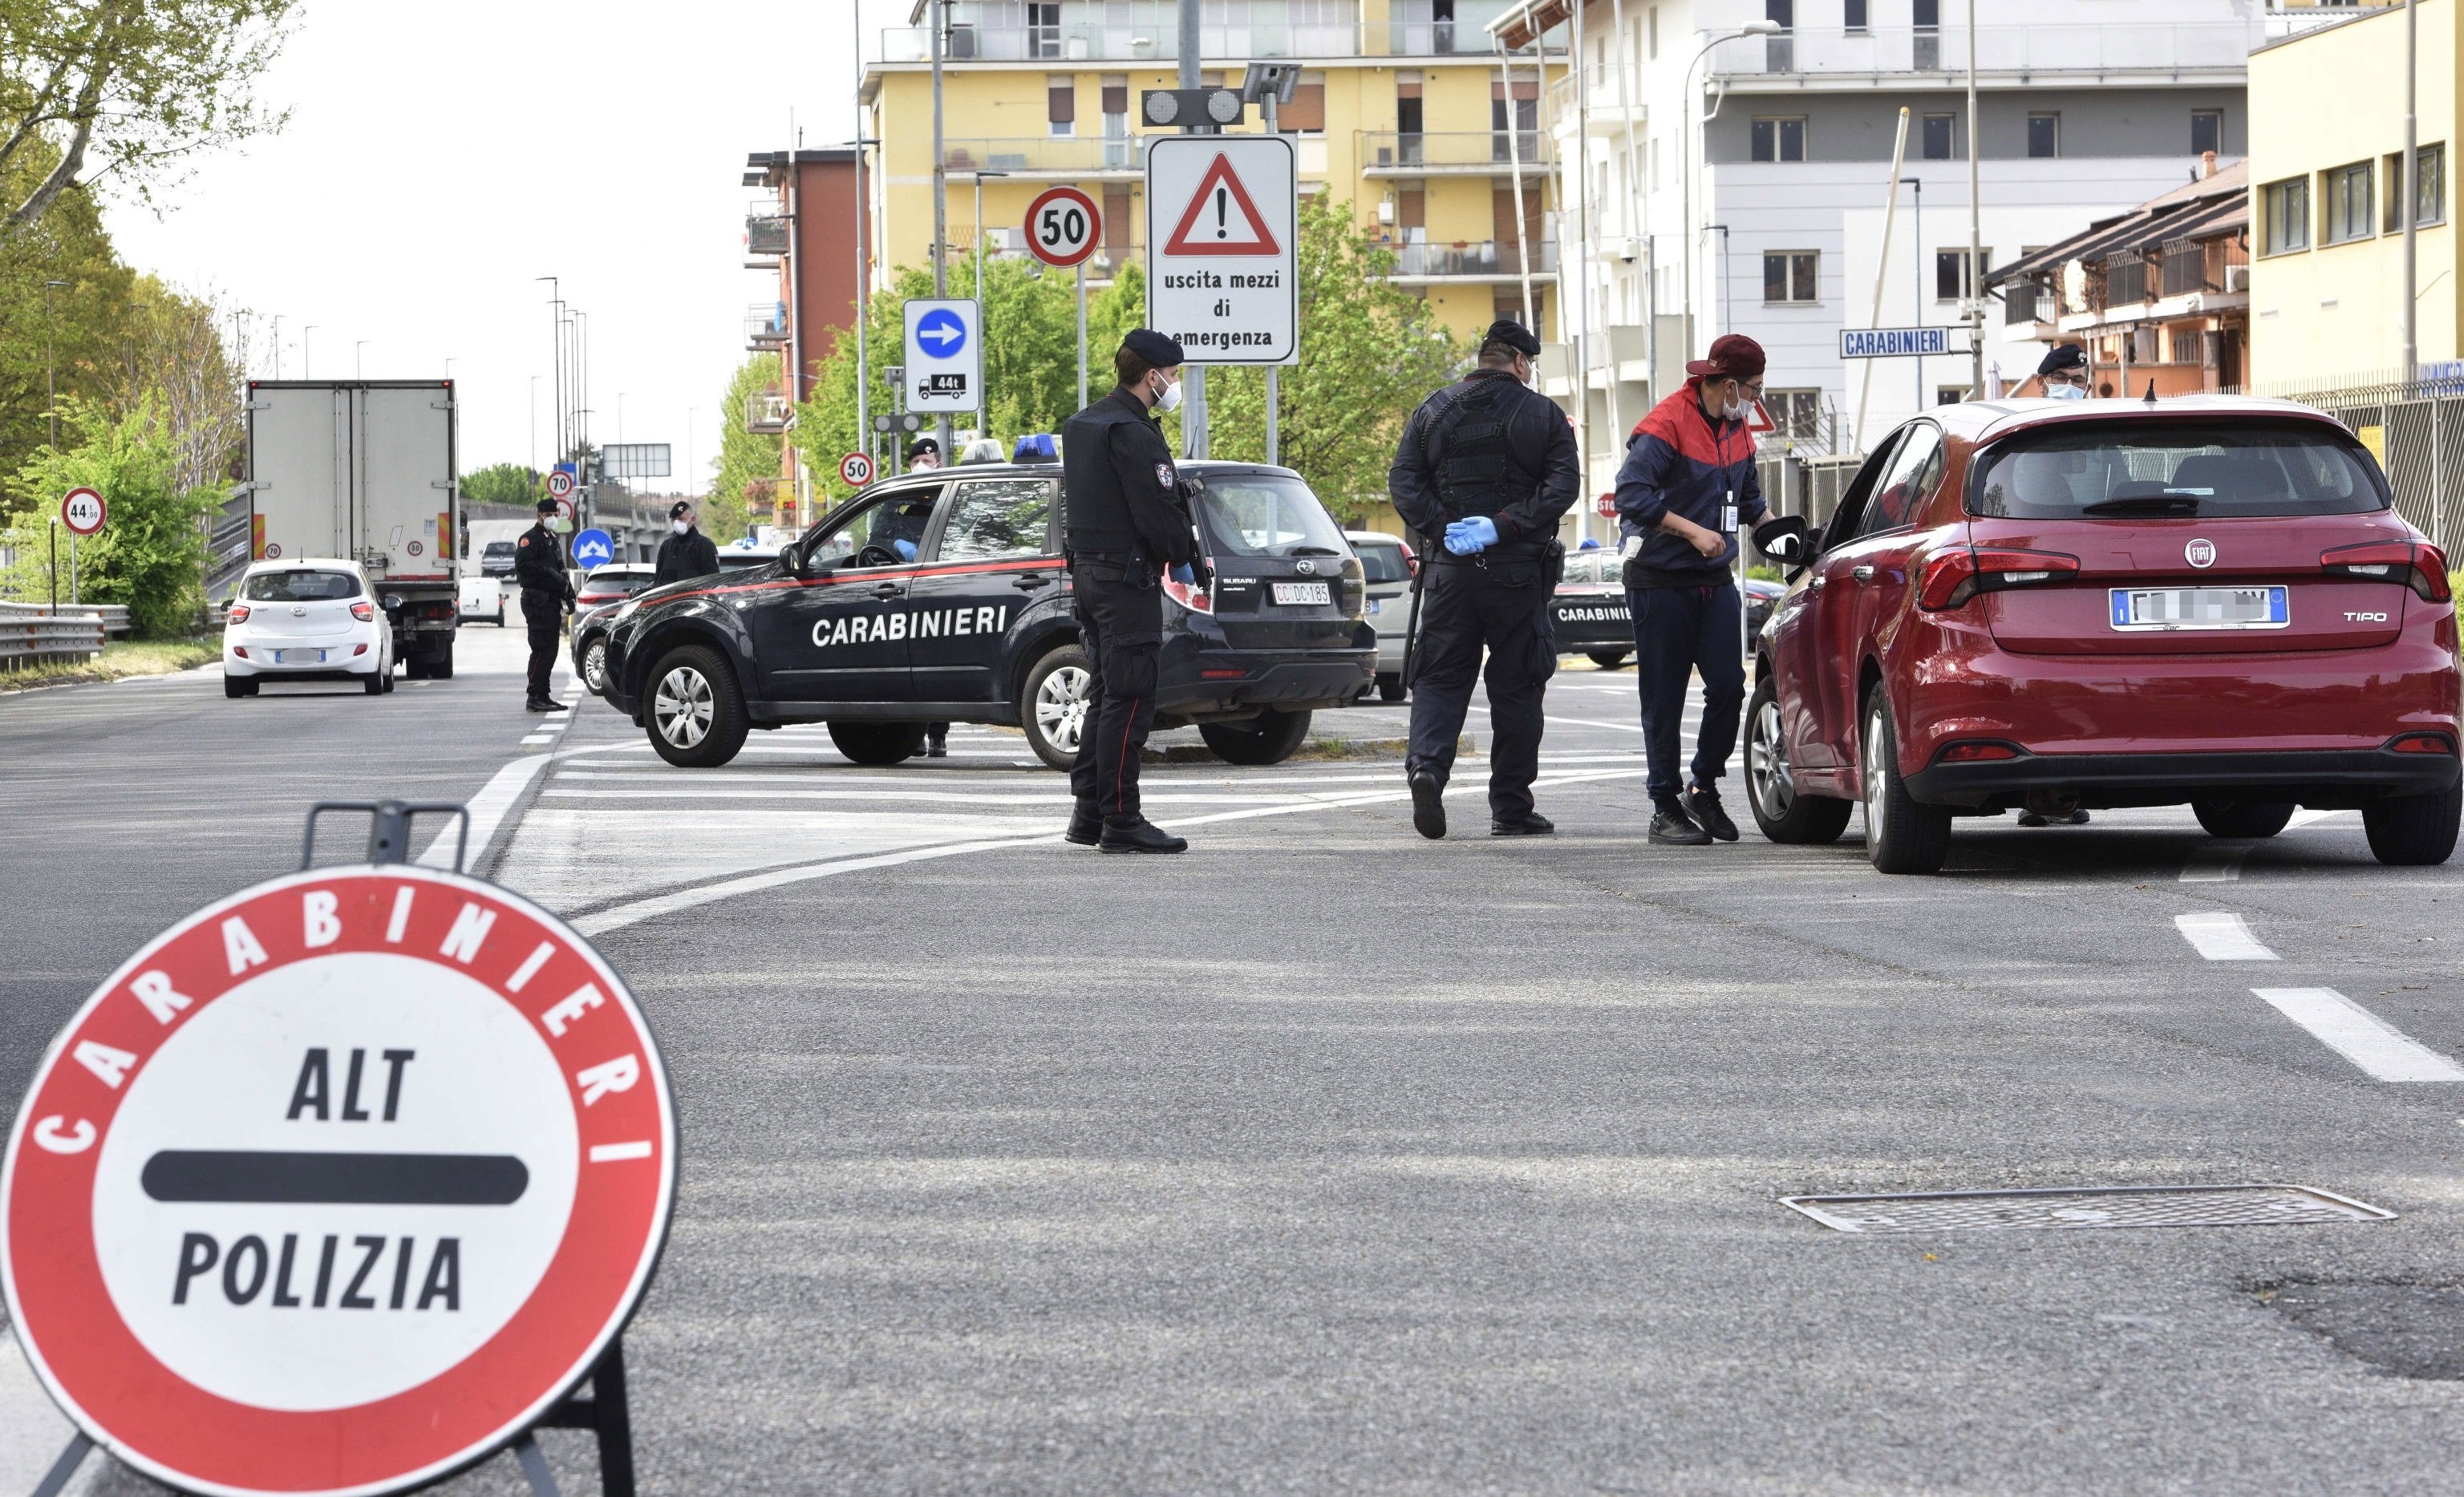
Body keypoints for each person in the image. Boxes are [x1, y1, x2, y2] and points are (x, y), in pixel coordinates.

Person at [1388, 318, 1581, 840]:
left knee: (1441, 678)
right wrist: (1504, 526)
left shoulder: (1433, 409)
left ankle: (1427, 769)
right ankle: (1511, 808)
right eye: (1531, 365)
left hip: (1449, 574)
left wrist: (1443, 528)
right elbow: (1563, 486)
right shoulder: (1542, 414)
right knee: (1518, 687)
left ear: (1483, 360)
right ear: (1520, 363)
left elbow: (1403, 482)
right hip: (1517, 574)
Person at [1613, 333, 1769, 847]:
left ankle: (1702, 785)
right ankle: (1664, 806)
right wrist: (1692, 531)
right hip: (1659, 579)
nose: (1756, 400)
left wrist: (1792, 540)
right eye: (1753, 390)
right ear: (1728, 385)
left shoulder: (1738, 430)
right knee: (1665, 697)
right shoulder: (1666, 423)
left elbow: (1751, 505)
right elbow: (1630, 494)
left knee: (1728, 686)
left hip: (1713, 579)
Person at [1060, 329, 1202, 854]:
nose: (1174, 384)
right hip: (1126, 582)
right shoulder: (1135, 433)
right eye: (1173, 376)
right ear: (1152, 377)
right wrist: (1182, 551)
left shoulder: (1083, 425)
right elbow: (1157, 514)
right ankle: (1122, 817)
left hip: (1091, 576)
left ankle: (1089, 813)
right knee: (1131, 696)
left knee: (1107, 693)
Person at [512, 497, 576, 712]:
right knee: (541, 648)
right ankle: (535, 695)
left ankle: (543, 694)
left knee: (551, 649)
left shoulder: (551, 540)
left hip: (550, 601)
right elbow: (524, 565)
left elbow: (560, 569)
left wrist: (568, 593)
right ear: (539, 515)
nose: (552, 518)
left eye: (555, 515)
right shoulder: (529, 539)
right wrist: (548, 573)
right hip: (536, 601)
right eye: (548, 515)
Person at [653, 500, 720, 586]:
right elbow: (658, 578)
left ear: (692, 520)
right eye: (674, 520)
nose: (677, 523)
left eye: (681, 519)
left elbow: (712, 580)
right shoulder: (666, 546)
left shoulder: (704, 545)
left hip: (691, 598)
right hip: (668, 598)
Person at [2012, 342, 2091, 401]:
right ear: (2041, 383)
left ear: (2087, 389)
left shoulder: (2099, 421)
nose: (2069, 386)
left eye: (2077, 380)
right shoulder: (2027, 421)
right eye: (2060, 378)